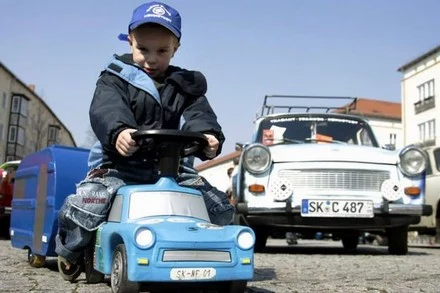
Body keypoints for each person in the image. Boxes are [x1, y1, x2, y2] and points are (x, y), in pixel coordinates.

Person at [55, 1, 234, 282]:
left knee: (220, 209)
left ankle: (196, 255)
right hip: (119, 166)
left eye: (161, 51)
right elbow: (106, 109)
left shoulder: (185, 85)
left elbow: (200, 115)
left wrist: (209, 137)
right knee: (90, 204)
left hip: (173, 169)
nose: (151, 59)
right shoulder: (114, 77)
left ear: (176, 47)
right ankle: (71, 251)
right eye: (143, 50)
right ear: (130, 42)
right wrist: (120, 132)